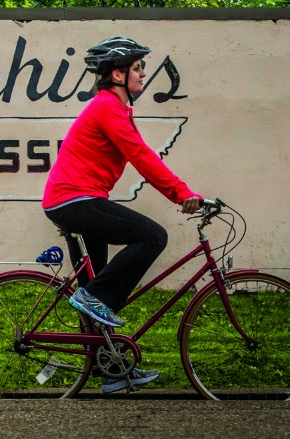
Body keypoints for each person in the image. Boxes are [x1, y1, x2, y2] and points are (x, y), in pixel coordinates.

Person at [41, 36, 202, 394]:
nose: (143, 73)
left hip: (78, 200)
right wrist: (181, 193)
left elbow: (139, 154)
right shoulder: (107, 108)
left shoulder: (116, 109)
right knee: (152, 236)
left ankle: (112, 371)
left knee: (96, 291)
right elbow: (141, 156)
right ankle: (92, 299)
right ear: (117, 74)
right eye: (137, 67)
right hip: (74, 201)